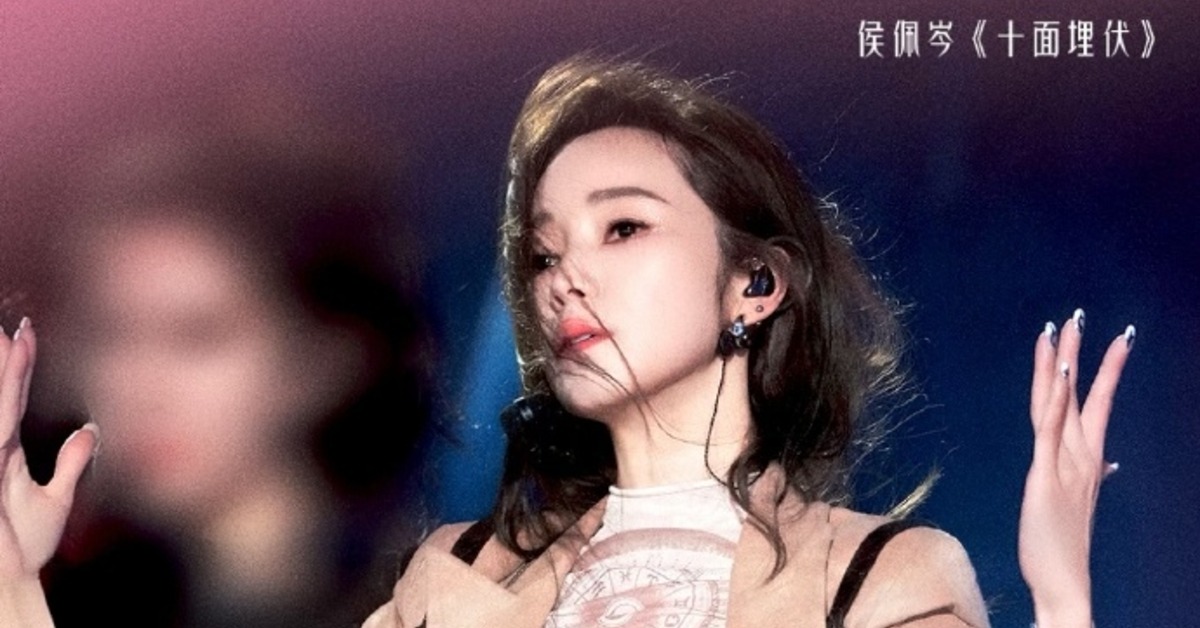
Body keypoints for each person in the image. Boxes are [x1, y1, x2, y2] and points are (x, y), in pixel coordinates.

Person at [0, 55, 1130, 628]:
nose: (565, 277)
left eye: (623, 228)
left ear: (754, 282)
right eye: (544, 253)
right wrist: (16, 585)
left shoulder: (878, 579)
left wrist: (1062, 597)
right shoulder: (455, 578)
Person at [2, 104, 433, 627]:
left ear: (326, 359)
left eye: (199, 336)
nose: (142, 390)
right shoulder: (68, 588)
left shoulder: (440, 601)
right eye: (111, 334)